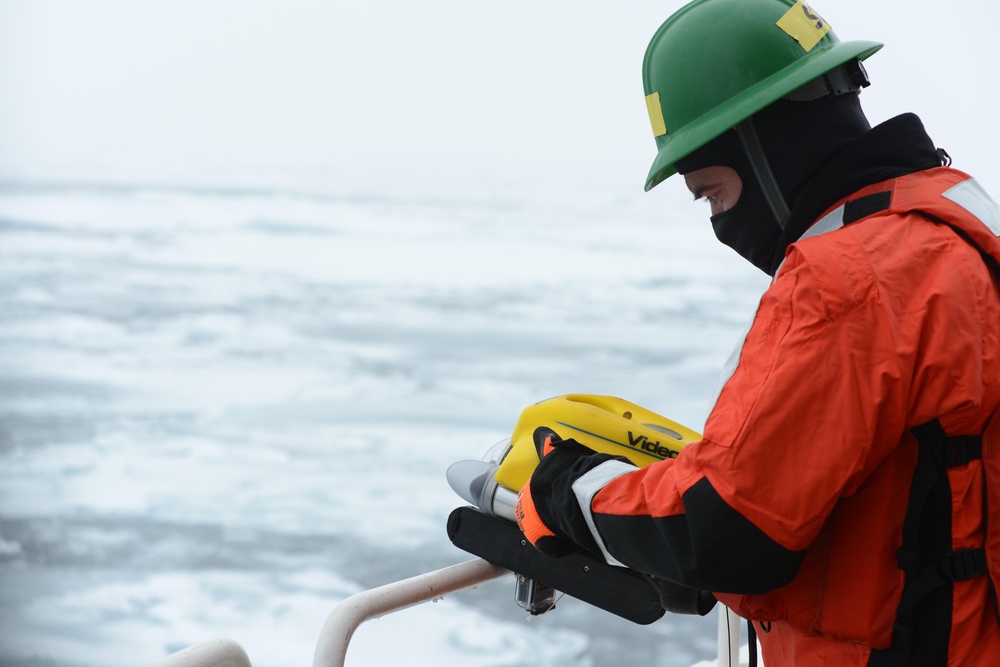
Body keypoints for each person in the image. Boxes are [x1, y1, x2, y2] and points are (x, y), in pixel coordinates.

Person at [513, 0, 1000, 664]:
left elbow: (725, 532)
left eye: (712, 191)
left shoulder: (845, 281)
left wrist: (567, 491)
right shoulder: (954, 221)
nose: (721, 222)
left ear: (765, 148)